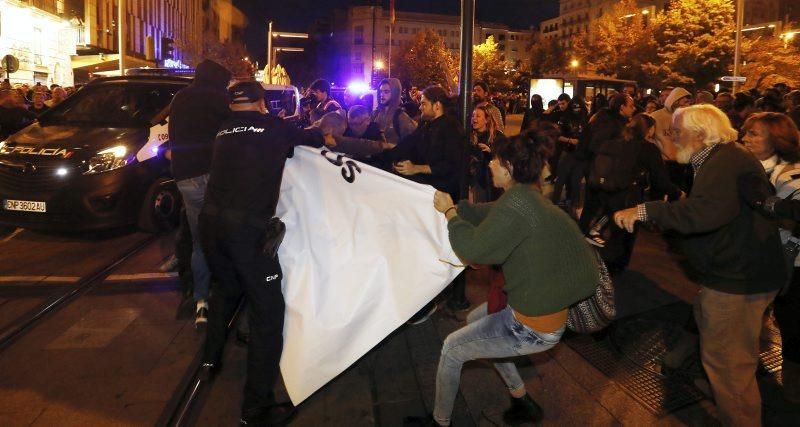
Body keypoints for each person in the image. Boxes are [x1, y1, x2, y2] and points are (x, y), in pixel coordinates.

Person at [613, 104, 785, 426]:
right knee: (712, 334)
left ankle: (735, 408)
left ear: (700, 134)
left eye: (676, 131)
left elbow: (704, 212)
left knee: (730, 368)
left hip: (738, 280)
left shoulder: (726, 160)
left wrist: (645, 211)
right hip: (732, 274)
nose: (671, 137)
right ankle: (720, 390)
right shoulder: (718, 158)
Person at [413, 130, 598, 426]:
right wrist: (458, 208)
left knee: (451, 348)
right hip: (539, 312)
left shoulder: (518, 204)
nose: (489, 165)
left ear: (509, 168)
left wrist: (449, 213)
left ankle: (439, 422)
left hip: (533, 325)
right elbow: (484, 213)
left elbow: (472, 249)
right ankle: (522, 400)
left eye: (495, 161)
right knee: (476, 322)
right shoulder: (524, 198)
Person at [199, 81, 326, 426]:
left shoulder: (223, 129)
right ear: (262, 103)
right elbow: (314, 140)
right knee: (268, 314)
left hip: (210, 228)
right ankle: (256, 408)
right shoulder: (274, 126)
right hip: (246, 233)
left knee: (224, 290)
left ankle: (209, 361)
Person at [390, 85, 470, 317]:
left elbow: (451, 166)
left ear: (437, 105)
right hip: (429, 196)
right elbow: (406, 146)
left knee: (441, 245)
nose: (420, 107)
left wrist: (417, 168)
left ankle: (443, 295)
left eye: (424, 103)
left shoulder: (452, 129)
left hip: (445, 199)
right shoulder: (426, 125)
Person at [739, 112, 800, 404]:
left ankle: (791, 391)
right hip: (764, 258)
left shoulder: (787, 173)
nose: (745, 138)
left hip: (787, 262)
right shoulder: (753, 167)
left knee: (791, 325)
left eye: (755, 134)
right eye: (746, 132)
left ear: (777, 140)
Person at [167, 59, 232, 326]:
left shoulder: (180, 98)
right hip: (215, 175)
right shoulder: (219, 99)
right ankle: (229, 292)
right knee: (226, 235)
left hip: (185, 177)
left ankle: (201, 300)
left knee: (198, 241)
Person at [469, 103, 507, 202]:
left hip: (492, 183)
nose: (474, 119)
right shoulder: (470, 136)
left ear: (487, 119)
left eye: (478, 116)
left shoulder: (498, 137)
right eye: (473, 116)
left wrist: (491, 152)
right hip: (474, 182)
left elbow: (507, 158)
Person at [372, 78, 417, 146]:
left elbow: (411, 143)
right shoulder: (375, 113)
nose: (382, 94)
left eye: (386, 92)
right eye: (381, 91)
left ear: (395, 94)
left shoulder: (401, 117)